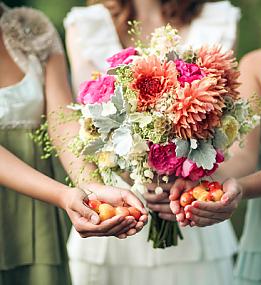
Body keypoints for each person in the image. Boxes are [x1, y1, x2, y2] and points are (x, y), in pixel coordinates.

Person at [64, 1, 240, 284]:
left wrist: (185, 180)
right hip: (114, 213)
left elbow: (223, 117)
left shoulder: (217, 18)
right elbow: (86, 125)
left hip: (193, 206)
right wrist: (136, 175)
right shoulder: (86, 24)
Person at [0, 3, 147, 285]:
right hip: (49, 194)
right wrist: (62, 194)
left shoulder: (33, 30)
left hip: (34, 220)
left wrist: (91, 185)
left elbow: (62, 120)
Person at [169, 1, 261, 283]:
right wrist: (203, 183)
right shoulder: (260, 65)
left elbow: (242, 180)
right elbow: (243, 156)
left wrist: (241, 189)